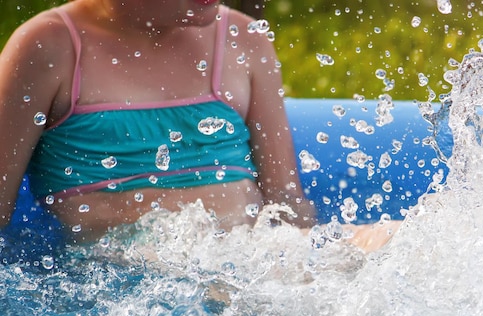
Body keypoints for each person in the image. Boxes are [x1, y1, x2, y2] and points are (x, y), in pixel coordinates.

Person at [0, 0, 320, 244]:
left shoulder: (244, 39)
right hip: (127, 283)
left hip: (247, 259)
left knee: (369, 242)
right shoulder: (49, 46)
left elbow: (286, 202)